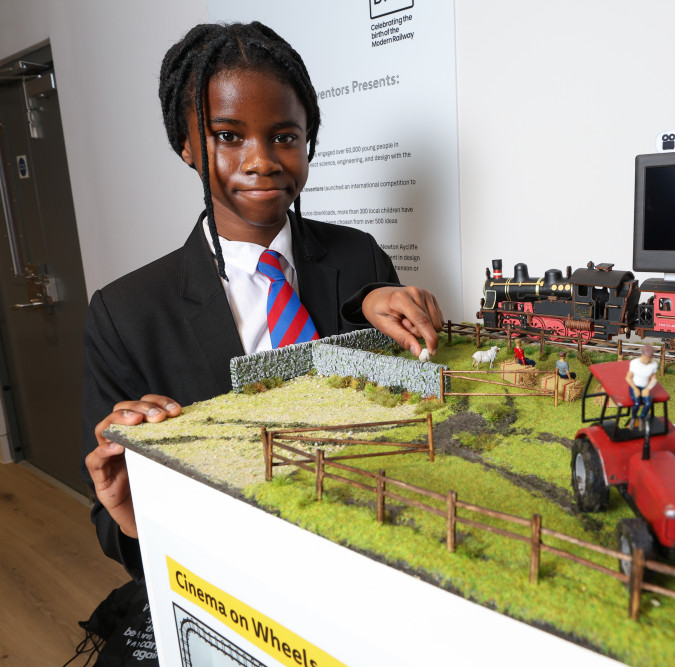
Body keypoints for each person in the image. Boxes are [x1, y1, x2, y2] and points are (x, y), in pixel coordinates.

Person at [79, 22, 442, 661]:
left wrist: (407, 326)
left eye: (285, 136)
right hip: (231, 588)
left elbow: (410, 401)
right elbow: (115, 527)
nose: (262, 160)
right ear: (186, 145)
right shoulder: (125, 314)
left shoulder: (360, 257)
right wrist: (137, 512)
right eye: (228, 136)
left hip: (363, 573)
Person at [625, 344, 658, 429]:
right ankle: (633, 418)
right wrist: (635, 388)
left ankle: (641, 418)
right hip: (635, 385)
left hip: (644, 387)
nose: (646, 361)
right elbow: (628, 377)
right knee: (637, 403)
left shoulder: (653, 365)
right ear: (642, 355)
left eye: (648, 359)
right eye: (645, 359)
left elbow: (654, 379)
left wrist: (647, 389)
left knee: (648, 403)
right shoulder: (634, 363)